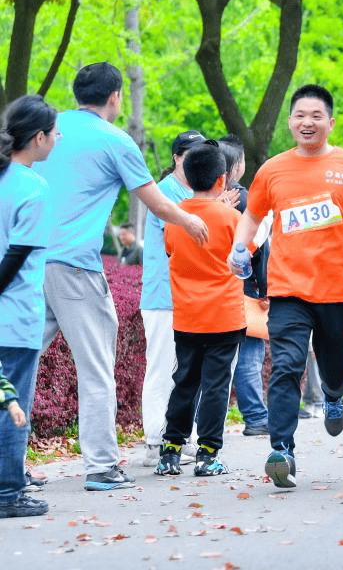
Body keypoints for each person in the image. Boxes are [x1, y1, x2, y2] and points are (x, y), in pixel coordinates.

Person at [33, 63, 208, 491]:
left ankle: (8, 467)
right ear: (115, 97)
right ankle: (101, 467)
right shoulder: (116, 140)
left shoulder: (46, 133)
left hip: (28, 263)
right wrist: (194, 222)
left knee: (17, 366)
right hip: (75, 267)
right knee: (96, 369)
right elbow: (158, 202)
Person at [229, 84, 343, 489]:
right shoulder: (273, 169)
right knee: (286, 366)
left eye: (316, 116)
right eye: (300, 115)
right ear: (289, 122)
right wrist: (239, 246)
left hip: (338, 287)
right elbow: (253, 214)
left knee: (335, 367)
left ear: (330, 123)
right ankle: (282, 449)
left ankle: (335, 395)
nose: (307, 122)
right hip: (288, 289)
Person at [155, 142, 245, 477]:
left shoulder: (175, 219)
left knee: (185, 382)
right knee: (216, 385)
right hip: (224, 315)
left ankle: (170, 451)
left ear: (188, 179)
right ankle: (207, 454)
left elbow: (170, 253)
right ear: (222, 180)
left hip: (187, 316)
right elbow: (247, 254)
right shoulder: (232, 219)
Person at [0, 95, 59, 517]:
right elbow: (17, 255)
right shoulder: (35, 188)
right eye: (54, 133)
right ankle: (7, 493)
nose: (56, 139)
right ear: (38, 138)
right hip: (15, 314)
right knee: (12, 403)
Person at [138, 129, 206, 466]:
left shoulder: (197, 193)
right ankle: (154, 439)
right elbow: (183, 235)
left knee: (188, 371)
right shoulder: (164, 194)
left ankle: (182, 437)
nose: (197, 158)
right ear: (177, 157)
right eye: (191, 153)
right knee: (163, 369)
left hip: (189, 296)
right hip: (163, 295)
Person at [219, 136, 269, 436]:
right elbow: (261, 246)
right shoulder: (247, 200)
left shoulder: (203, 199)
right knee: (250, 353)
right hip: (246, 286)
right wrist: (265, 288)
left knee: (218, 357)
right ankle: (256, 417)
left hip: (215, 288)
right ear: (236, 166)